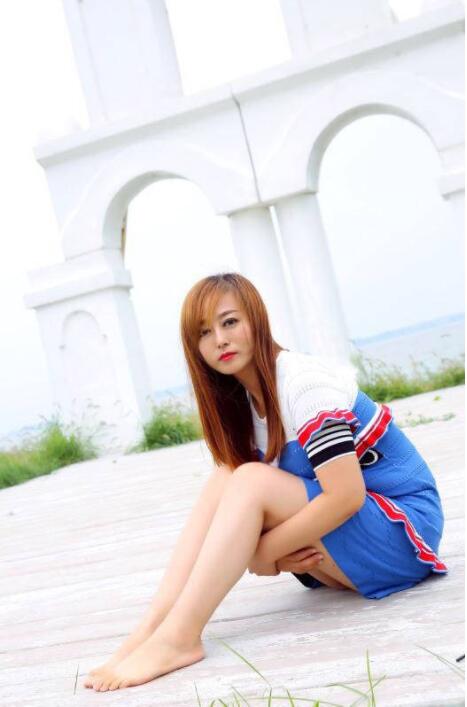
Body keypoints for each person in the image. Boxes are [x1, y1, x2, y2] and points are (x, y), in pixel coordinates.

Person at [84, 272, 447, 692]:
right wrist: (266, 554)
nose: (220, 340)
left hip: (404, 535)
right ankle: (154, 626)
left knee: (250, 479)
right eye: (204, 333)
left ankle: (180, 637)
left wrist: (263, 555)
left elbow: (347, 495)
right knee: (228, 474)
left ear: (256, 319)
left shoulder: (303, 384)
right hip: (357, 544)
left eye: (229, 322)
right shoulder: (246, 402)